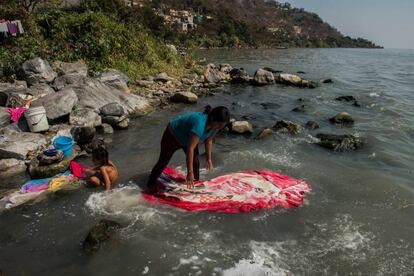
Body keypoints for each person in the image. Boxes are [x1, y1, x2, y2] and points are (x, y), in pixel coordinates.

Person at [147, 105, 230, 190]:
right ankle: (150, 184)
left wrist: (208, 159)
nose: (221, 127)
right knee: (162, 163)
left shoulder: (215, 126)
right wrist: (189, 172)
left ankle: (195, 184)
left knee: (196, 162)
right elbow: (190, 148)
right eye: (220, 124)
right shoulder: (200, 124)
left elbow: (209, 140)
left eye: (222, 125)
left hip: (188, 138)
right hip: (173, 136)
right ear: (212, 118)